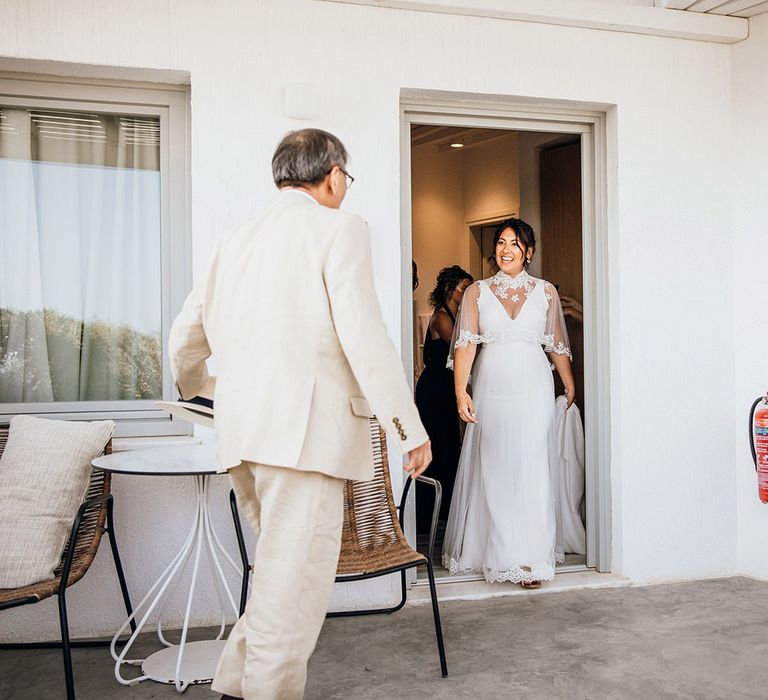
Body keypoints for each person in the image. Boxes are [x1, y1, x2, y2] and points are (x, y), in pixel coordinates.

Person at [168, 128, 431, 700]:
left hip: (243, 438)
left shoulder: (234, 239)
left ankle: (235, 689)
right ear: (333, 174)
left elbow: (184, 338)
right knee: (292, 602)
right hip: (304, 443)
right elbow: (363, 334)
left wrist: (203, 390)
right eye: (347, 178)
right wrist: (407, 427)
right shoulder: (341, 228)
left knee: (277, 585)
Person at [442, 218, 575, 588]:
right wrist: (460, 391)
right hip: (492, 385)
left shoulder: (546, 292)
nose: (506, 249)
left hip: (535, 384)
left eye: (515, 243)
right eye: (501, 242)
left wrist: (568, 382)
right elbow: (466, 344)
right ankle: (501, 555)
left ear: (528, 251)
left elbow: (556, 345)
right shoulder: (477, 293)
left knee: (533, 465)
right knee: (496, 464)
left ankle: (532, 558)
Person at [414, 265, 473, 532]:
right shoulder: (442, 317)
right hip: (434, 389)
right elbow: (458, 348)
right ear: (450, 289)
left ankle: (445, 513)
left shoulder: (459, 315)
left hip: (447, 388)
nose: (467, 293)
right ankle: (427, 517)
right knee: (439, 447)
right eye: (464, 288)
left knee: (450, 447)